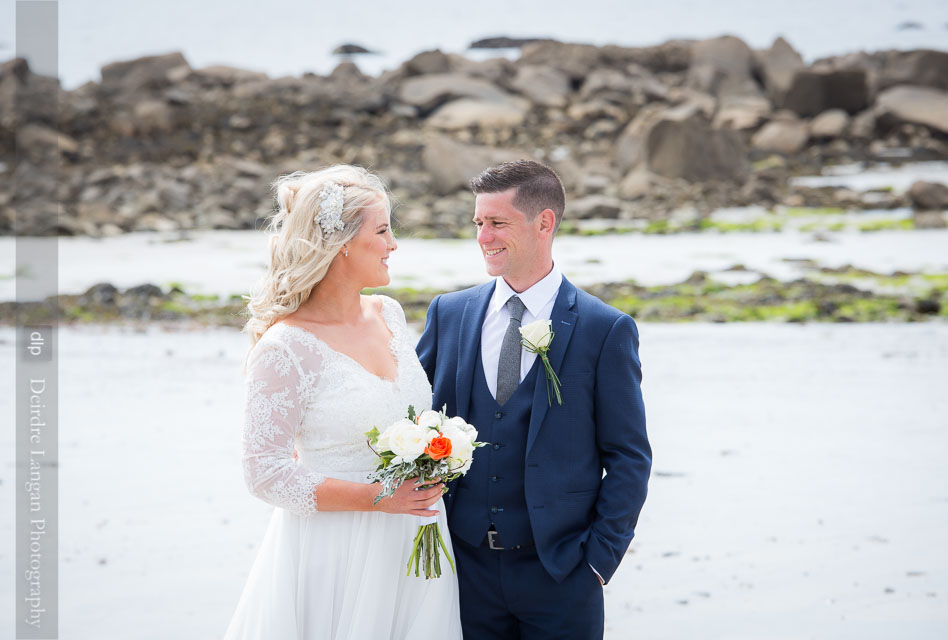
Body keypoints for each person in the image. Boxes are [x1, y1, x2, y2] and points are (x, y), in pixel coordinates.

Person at [416, 160, 652, 639]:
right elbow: (412, 416)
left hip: (562, 574)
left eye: (498, 223)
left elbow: (629, 456)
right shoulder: (449, 313)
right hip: (463, 571)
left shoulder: (604, 328)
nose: (484, 237)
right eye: (479, 223)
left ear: (544, 222)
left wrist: (598, 563)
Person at [225, 165, 461, 639]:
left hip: (415, 541)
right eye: (382, 230)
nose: (394, 244)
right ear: (342, 244)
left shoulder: (390, 315)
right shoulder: (285, 347)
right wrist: (378, 499)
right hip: (335, 549)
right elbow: (264, 473)